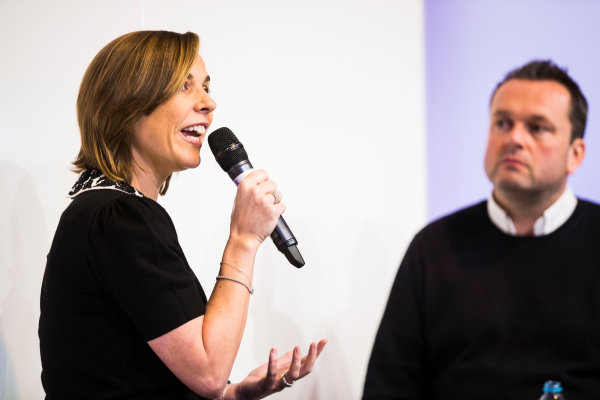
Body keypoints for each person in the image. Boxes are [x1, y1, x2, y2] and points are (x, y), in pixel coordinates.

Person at [38, 30, 326, 400]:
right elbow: (208, 372)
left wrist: (233, 393)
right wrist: (244, 239)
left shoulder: (102, 209)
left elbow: (128, 372)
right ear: (127, 105)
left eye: (207, 86)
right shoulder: (119, 217)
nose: (209, 103)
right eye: (184, 87)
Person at [363, 60, 600, 399]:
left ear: (575, 154)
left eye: (537, 127)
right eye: (502, 123)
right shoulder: (434, 247)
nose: (514, 138)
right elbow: (388, 386)